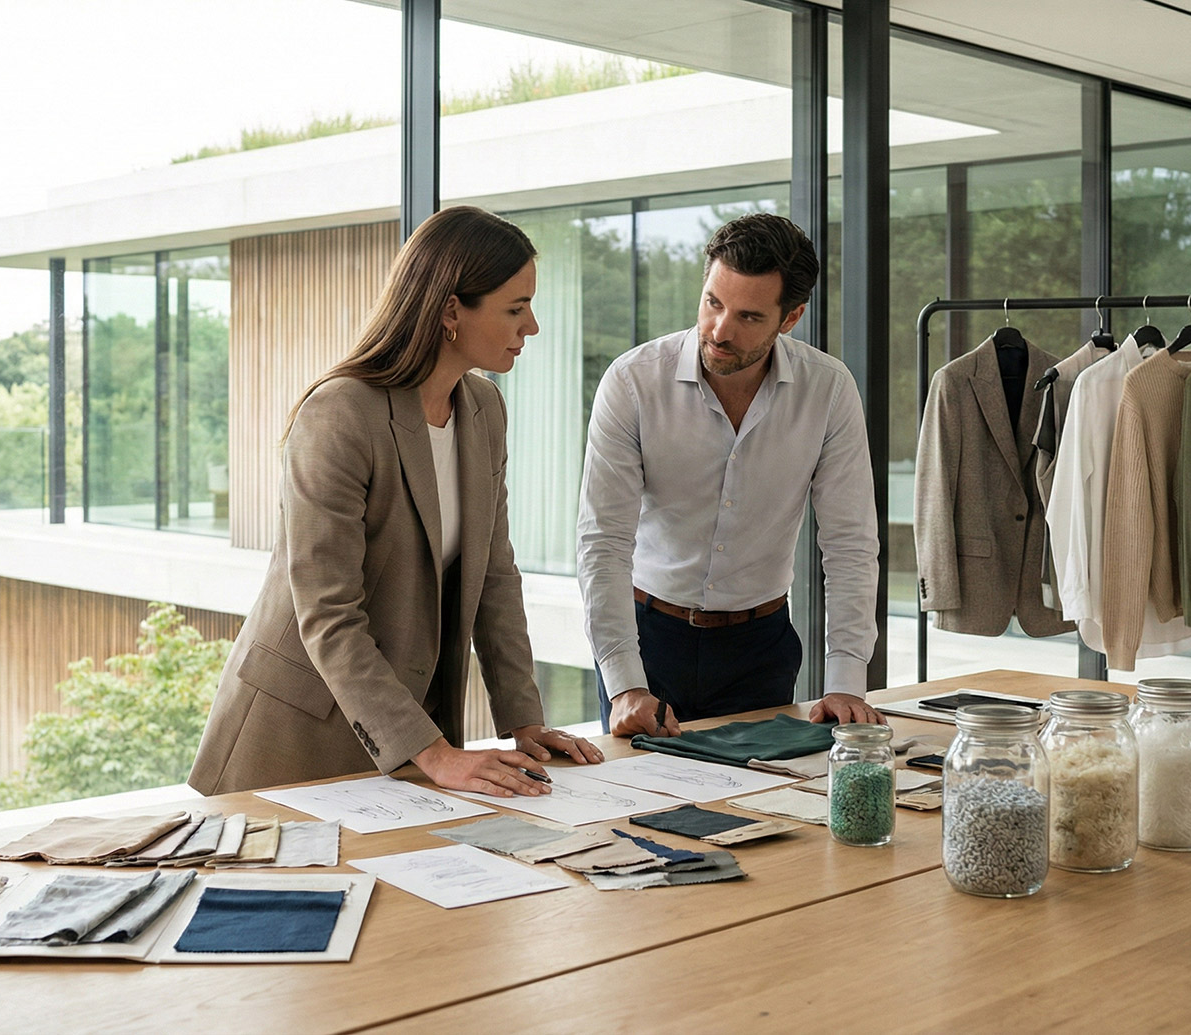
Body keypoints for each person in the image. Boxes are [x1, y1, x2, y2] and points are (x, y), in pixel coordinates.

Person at [190, 206, 602, 799]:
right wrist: (435, 753)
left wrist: (523, 720)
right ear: (451, 311)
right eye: (516, 308)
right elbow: (328, 614)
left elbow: (495, 577)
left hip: (412, 742)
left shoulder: (484, 410)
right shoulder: (339, 414)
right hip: (294, 738)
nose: (531, 327)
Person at [577, 212, 882, 737]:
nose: (720, 330)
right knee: (634, 810)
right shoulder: (633, 383)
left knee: (757, 811)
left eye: (748, 317)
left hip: (759, 647)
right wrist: (624, 682)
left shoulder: (828, 391)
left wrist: (847, 680)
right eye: (713, 303)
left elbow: (850, 542)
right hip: (648, 641)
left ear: (790, 318)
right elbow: (602, 542)